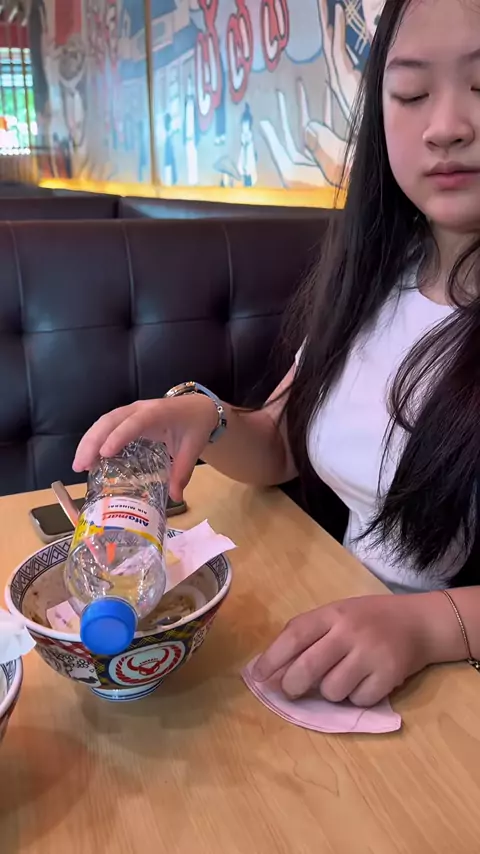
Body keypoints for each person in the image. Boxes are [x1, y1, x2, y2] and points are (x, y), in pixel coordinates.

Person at [74, 0, 480, 707]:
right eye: (412, 93)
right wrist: (207, 417)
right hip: (351, 646)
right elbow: (284, 444)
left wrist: (427, 625)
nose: (445, 126)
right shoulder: (376, 277)